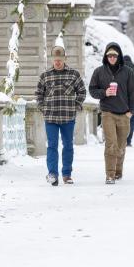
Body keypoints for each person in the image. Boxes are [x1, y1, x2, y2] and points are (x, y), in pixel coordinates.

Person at [35, 45, 87, 186]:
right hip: (50, 117)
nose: (57, 62)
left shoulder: (73, 74)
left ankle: (67, 174)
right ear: (52, 59)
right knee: (52, 145)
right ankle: (52, 174)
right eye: (55, 59)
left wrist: (75, 105)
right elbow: (39, 94)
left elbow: (82, 91)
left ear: (64, 59)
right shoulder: (45, 76)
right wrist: (42, 107)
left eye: (60, 59)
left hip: (68, 117)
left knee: (68, 145)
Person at [89, 43, 134, 184]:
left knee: (121, 145)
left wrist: (131, 112)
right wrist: (104, 92)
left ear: (119, 56)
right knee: (111, 144)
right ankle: (109, 174)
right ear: (106, 56)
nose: (112, 58)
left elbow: (133, 94)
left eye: (114, 55)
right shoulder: (99, 71)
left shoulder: (128, 72)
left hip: (124, 114)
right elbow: (92, 90)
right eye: (109, 55)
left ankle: (118, 171)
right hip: (107, 113)